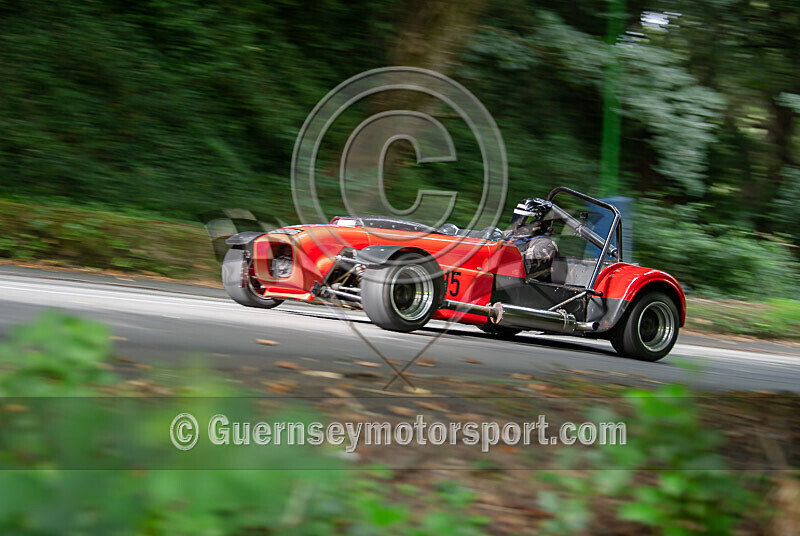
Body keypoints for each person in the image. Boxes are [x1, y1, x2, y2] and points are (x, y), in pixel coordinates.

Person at [504, 198, 559, 281]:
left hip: (523, 289)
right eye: (518, 218)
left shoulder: (546, 244)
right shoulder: (511, 235)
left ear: (540, 222)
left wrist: (497, 260)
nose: (518, 224)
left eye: (526, 220)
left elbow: (528, 266)